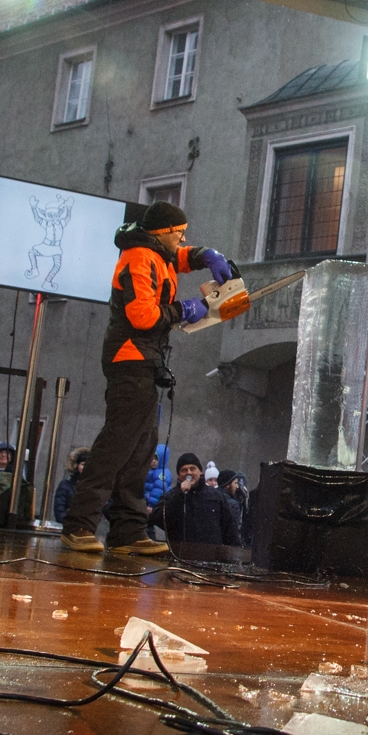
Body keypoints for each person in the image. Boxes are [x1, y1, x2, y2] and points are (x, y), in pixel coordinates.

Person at [60, 201, 237, 556]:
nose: (183, 238)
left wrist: (207, 256)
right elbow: (141, 314)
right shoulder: (140, 257)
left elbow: (180, 258)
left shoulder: (157, 252)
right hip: (130, 356)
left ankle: (127, 531)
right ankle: (79, 525)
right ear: (162, 233)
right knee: (116, 444)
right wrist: (185, 309)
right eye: (179, 233)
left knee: (141, 448)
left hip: (145, 359)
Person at [147, 452, 243, 548]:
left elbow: (230, 529)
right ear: (179, 476)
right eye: (184, 470)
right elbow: (158, 518)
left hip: (210, 556)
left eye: (192, 469)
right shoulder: (172, 495)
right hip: (180, 554)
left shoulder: (216, 496)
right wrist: (179, 495)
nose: (189, 472)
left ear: (200, 472)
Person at [52, 448, 90, 524]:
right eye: (83, 464)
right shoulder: (65, 485)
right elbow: (59, 509)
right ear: (76, 466)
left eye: (88, 465)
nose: (85, 467)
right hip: (67, 527)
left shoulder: (91, 487)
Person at [144, 444, 170, 512]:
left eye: (156, 459)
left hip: (155, 505)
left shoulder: (162, 473)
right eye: (152, 458)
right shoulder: (149, 471)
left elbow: (158, 490)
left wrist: (151, 505)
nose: (153, 461)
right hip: (147, 501)